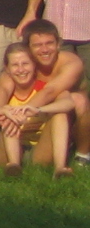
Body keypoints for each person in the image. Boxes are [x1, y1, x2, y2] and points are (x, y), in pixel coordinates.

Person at [0, 42, 74, 177]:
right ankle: (14, 165)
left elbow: (68, 103)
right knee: (9, 114)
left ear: (34, 65)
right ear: (7, 69)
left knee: (60, 115)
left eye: (25, 64)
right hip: (7, 148)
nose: (21, 70)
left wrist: (38, 110)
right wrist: (4, 111)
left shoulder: (44, 88)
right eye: (15, 65)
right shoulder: (4, 90)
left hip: (38, 149)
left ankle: (60, 168)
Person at [16, 19, 90, 167]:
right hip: (38, 115)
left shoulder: (71, 62)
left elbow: (50, 91)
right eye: (37, 45)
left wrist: (21, 113)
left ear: (58, 44)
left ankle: (82, 155)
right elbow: (3, 88)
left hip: (69, 115)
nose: (44, 50)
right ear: (28, 48)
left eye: (49, 43)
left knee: (79, 99)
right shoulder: (23, 64)